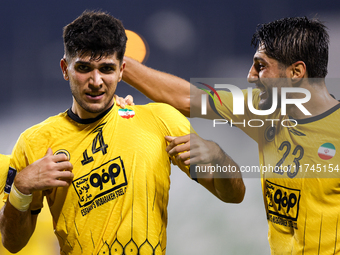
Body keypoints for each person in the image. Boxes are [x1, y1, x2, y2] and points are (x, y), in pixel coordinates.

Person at [0, 10, 244, 255]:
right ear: (65, 69)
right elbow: (13, 243)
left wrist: (220, 157)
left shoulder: (161, 120)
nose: (96, 81)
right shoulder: (35, 143)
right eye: (84, 68)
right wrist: (21, 188)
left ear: (121, 70)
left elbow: (234, 195)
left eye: (106, 68)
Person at [121, 17, 340, 254]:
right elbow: (188, 98)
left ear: (296, 72)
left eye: (261, 66)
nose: (250, 76)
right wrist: (115, 63)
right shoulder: (264, 109)